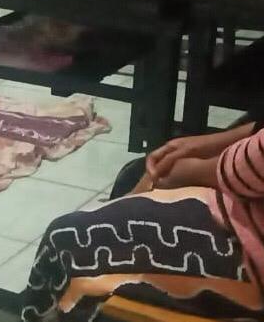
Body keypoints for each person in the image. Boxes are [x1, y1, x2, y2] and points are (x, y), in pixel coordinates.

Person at [22, 123, 264, 321]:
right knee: (134, 173)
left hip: (250, 239)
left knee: (63, 236)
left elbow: (249, 167)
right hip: (250, 186)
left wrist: (194, 171)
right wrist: (207, 143)